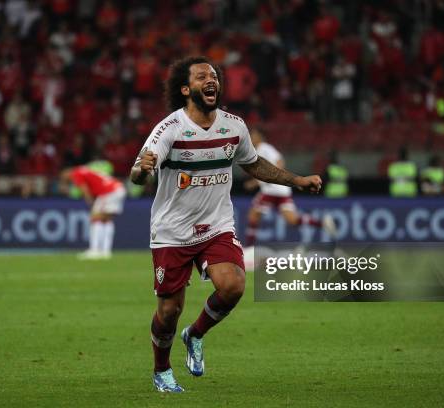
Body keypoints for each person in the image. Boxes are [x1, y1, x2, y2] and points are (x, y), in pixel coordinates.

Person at [129, 56, 322, 393]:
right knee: (170, 310)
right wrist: (142, 170)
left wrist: (297, 181)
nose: (212, 79)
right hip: (172, 232)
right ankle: (161, 370)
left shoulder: (233, 126)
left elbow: (255, 165)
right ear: (186, 88)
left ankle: (196, 334)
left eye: (214, 75)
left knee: (233, 285)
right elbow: (137, 173)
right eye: (202, 75)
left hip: (216, 224)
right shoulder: (169, 128)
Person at [244, 128, 336, 247]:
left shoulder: (264, 148)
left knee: (253, 215)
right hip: (282, 190)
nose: (251, 138)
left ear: (260, 136)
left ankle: (249, 249)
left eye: (253, 135)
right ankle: (322, 223)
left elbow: (279, 161)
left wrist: (271, 178)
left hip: (272, 189)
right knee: (292, 220)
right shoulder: (261, 149)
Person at [60, 165, 126, 260]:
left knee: (95, 218)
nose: (63, 179)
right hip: (117, 188)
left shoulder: (76, 173)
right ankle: (105, 251)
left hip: (109, 191)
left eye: (63, 176)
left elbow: (84, 190)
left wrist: (90, 204)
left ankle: (94, 250)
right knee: (106, 220)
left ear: (66, 172)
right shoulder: (83, 170)